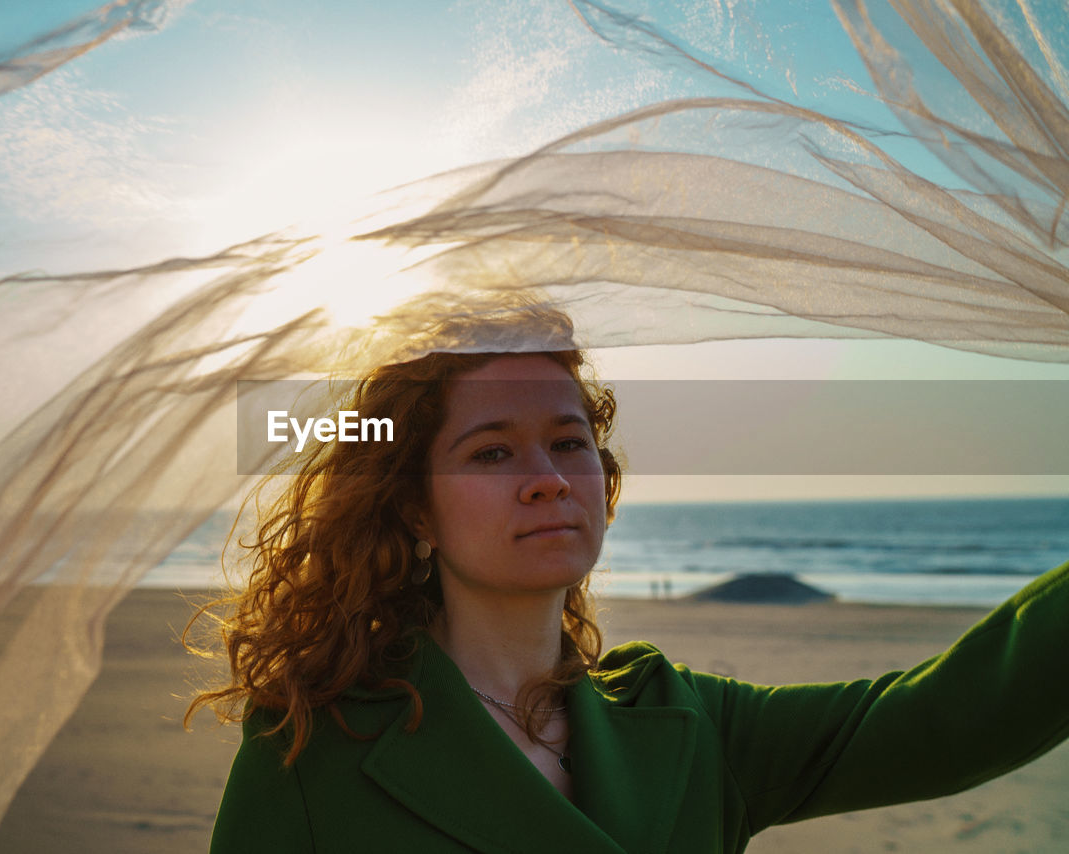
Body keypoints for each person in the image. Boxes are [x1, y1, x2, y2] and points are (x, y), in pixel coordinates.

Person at [185, 319, 1069, 853]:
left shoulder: (688, 722)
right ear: (414, 510)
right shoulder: (310, 746)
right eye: (492, 452)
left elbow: (948, 719)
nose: (548, 478)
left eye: (568, 443)